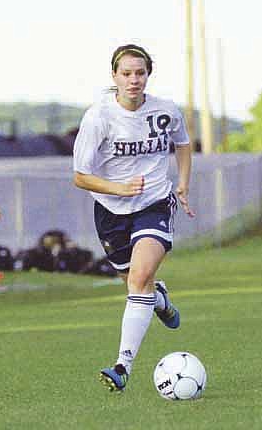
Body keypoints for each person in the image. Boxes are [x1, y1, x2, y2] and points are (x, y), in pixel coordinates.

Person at [73, 44, 194, 392]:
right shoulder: (98, 118)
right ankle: (160, 300)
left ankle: (122, 367)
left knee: (140, 276)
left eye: (140, 72)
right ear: (114, 76)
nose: (133, 80)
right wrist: (117, 188)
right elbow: (80, 176)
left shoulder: (166, 111)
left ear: (148, 75)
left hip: (155, 202)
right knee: (136, 284)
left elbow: (183, 144)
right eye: (126, 73)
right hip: (111, 211)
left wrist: (183, 183)